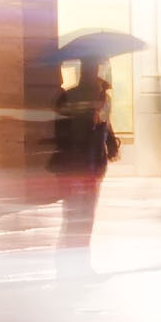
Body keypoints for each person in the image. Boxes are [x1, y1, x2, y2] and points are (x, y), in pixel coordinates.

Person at [39, 63, 118, 268]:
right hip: (77, 166)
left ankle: (78, 263)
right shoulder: (70, 98)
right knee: (77, 217)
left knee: (82, 217)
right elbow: (64, 133)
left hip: (90, 165)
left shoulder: (102, 100)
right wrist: (89, 121)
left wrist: (110, 143)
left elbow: (106, 128)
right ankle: (72, 263)